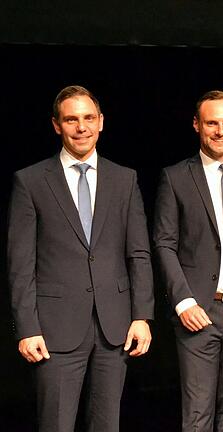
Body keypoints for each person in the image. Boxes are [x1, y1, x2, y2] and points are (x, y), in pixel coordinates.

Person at [7, 85, 154, 432]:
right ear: (57, 125)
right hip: (54, 329)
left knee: (107, 425)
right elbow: (20, 263)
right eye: (71, 119)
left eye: (88, 118)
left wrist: (142, 316)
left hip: (114, 327)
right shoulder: (30, 182)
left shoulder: (124, 179)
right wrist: (27, 328)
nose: (81, 127)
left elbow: (139, 253)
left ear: (101, 122)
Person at [153, 90, 223, 431]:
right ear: (196, 125)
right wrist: (183, 302)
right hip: (198, 312)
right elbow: (163, 243)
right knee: (197, 416)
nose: (220, 131)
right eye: (211, 123)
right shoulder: (175, 177)